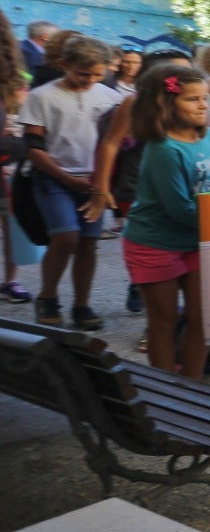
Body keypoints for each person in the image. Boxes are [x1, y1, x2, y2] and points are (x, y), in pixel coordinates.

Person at [122, 64, 210, 378]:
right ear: (166, 103)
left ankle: (194, 386)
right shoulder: (163, 148)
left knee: (202, 318)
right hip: (154, 242)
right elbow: (180, 209)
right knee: (162, 323)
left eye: (205, 98)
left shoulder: (208, 136)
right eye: (193, 99)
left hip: (197, 239)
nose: (203, 105)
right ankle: (167, 394)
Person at [20, 34, 119, 329]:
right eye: (82, 73)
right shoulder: (42, 96)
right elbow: (34, 148)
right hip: (54, 178)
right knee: (65, 238)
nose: (90, 80)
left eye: (98, 74)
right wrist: (65, 178)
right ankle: (48, 297)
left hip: (94, 182)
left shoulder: (111, 98)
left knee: (88, 244)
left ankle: (82, 304)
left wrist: (103, 182)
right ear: (63, 64)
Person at [0, 13, 35, 305]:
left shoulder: (16, 72)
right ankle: (11, 280)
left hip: (6, 156)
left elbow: (20, 109)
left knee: (10, 220)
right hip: (9, 153)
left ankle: (11, 280)